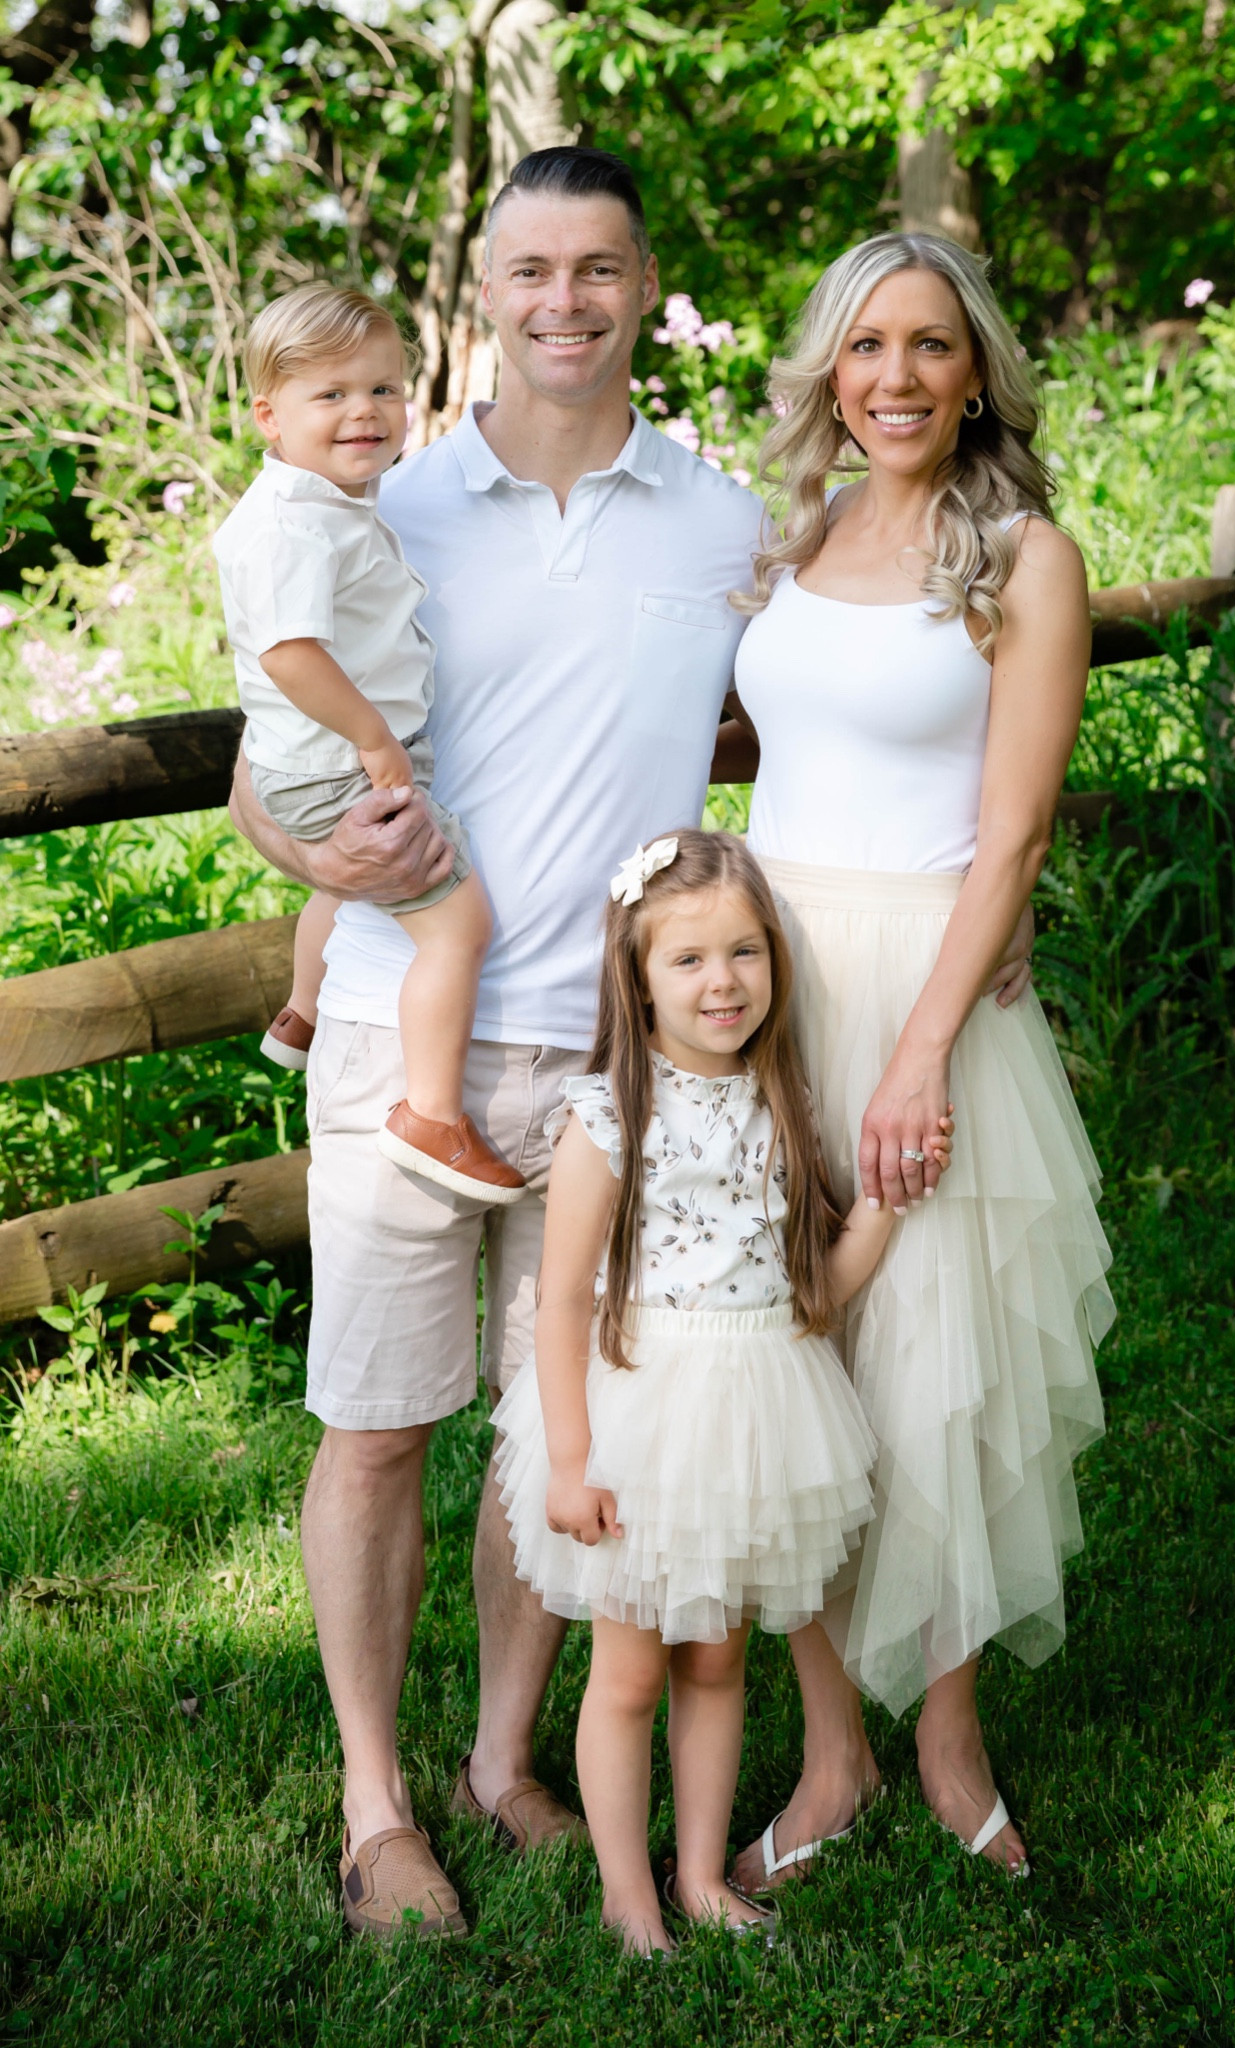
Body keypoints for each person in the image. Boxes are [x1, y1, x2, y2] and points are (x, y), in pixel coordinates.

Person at [227, 147, 766, 1940]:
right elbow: (259, 759)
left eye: (597, 269)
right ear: (486, 285)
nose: (563, 303)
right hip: (406, 1035)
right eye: (528, 270)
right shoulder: (381, 498)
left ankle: (503, 1758)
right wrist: (316, 853)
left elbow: (844, 703)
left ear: (640, 279)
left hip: (616, 1066)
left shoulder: (718, 518)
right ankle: (379, 1801)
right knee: (382, 1427)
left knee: (562, 1433)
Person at [725, 231, 1114, 1894]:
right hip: (765, 983)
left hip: (929, 993)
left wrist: (920, 1054)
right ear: (829, 366)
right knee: (785, 1347)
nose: (894, 377)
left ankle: (950, 1732)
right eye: (866, 345)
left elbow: (1012, 830)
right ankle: (831, 1745)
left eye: (930, 347)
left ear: (976, 375)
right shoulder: (794, 535)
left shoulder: (1025, 557)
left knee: (938, 1363)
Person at [492, 830, 953, 1954]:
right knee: (632, 1667)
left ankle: (697, 1871)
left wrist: (893, 1197)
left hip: (756, 1413)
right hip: (640, 1418)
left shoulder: (782, 1101)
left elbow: (819, 1296)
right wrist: (567, 1456)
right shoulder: (607, 1117)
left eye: (744, 952)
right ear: (636, 975)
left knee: (717, 1657)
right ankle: (625, 1892)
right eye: (688, 960)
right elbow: (558, 1302)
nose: (722, 982)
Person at [216, 284, 523, 1205]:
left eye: (384, 391)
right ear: (269, 416)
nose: (365, 412)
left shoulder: (329, 504)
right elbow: (288, 654)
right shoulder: (295, 523)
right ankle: (432, 1113)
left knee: (339, 888)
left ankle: (303, 1011)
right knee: (459, 926)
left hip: (323, 760)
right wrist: (376, 740)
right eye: (333, 394)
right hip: (338, 762)